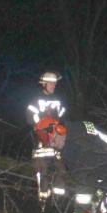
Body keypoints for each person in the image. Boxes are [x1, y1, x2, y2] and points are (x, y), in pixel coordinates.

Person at [26, 70, 68, 205]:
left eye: (54, 84)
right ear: (44, 84)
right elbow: (30, 118)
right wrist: (43, 125)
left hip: (56, 144)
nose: (53, 86)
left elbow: (62, 119)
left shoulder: (58, 101)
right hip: (41, 143)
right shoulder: (36, 100)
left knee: (61, 170)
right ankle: (43, 201)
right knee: (43, 172)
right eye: (50, 83)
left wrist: (60, 130)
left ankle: (58, 202)